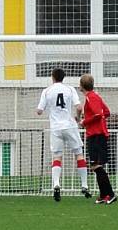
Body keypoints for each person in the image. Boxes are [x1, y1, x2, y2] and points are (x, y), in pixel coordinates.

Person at [37, 68, 90, 202]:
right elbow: (79, 107)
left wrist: (47, 108)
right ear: (63, 77)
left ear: (52, 77)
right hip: (70, 125)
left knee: (57, 156)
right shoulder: (70, 89)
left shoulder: (47, 91)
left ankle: (56, 183)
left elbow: (39, 111)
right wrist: (78, 118)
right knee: (79, 153)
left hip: (56, 128)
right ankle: (84, 185)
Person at [78, 74, 116, 204]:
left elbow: (99, 114)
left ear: (82, 86)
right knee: (96, 166)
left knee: (96, 165)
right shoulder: (96, 96)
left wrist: (85, 122)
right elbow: (107, 112)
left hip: (96, 135)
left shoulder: (90, 98)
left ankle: (110, 194)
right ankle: (103, 194)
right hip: (99, 134)